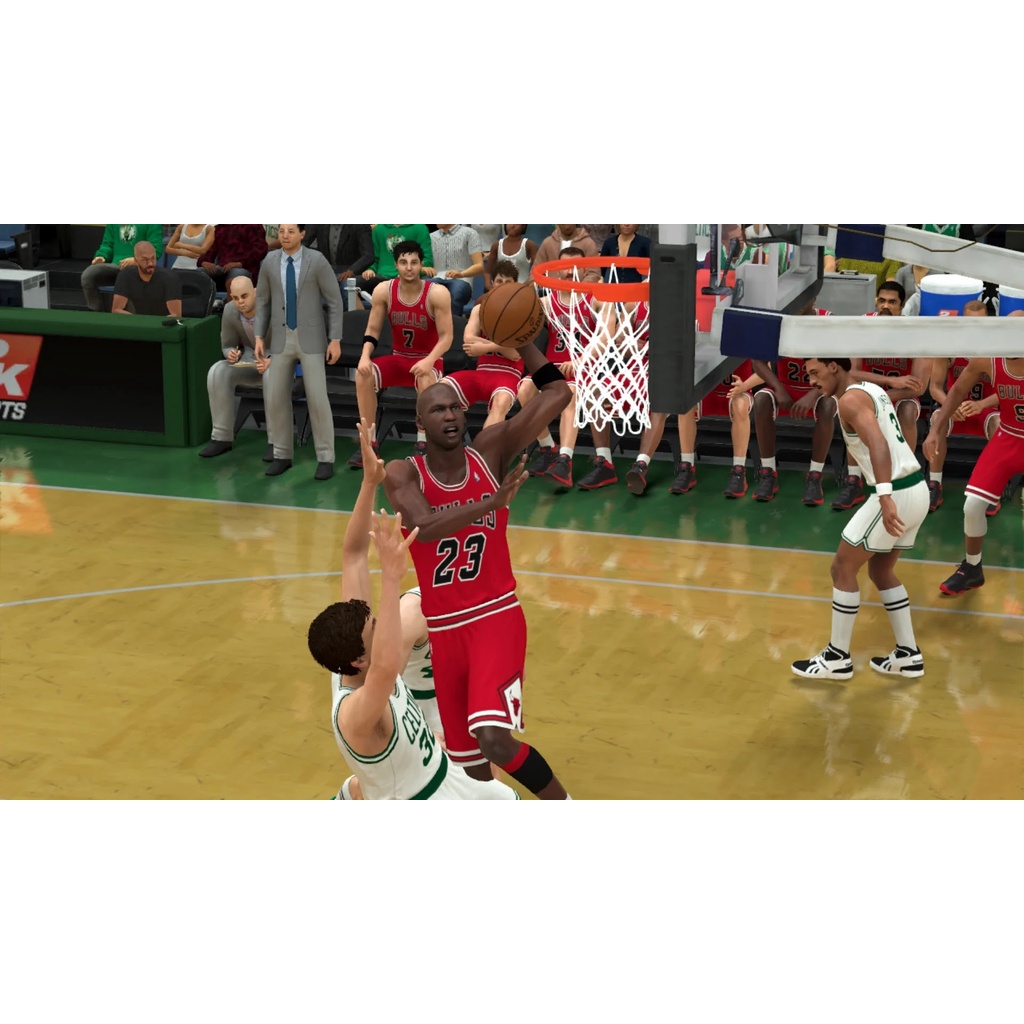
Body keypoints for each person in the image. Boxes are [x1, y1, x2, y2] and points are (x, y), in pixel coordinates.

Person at [382, 341, 576, 799]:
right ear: (420, 422)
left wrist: (523, 342)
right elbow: (425, 528)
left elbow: (559, 394)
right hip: (445, 631)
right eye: (438, 410)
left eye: (456, 408)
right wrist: (491, 503)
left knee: (494, 740)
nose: (450, 416)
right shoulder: (403, 473)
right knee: (471, 771)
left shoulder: (489, 452)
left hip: (494, 616)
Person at [309, 422, 518, 800]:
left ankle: (353, 793)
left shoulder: (353, 651)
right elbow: (387, 664)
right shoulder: (355, 712)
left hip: (429, 774)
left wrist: (369, 483)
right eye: (375, 629)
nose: (382, 625)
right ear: (359, 660)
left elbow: (353, 555)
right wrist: (391, 577)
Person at [791, 358, 929, 681]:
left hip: (894, 492)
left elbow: (878, 443)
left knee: (842, 568)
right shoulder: (869, 390)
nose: (811, 381)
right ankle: (908, 654)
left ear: (833, 367)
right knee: (881, 571)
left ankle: (837, 658)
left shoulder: (850, 402)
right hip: (916, 489)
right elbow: (853, 374)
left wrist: (884, 496)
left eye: (815, 373)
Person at [922, 318, 1024, 597]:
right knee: (973, 506)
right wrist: (936, 430)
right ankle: (972, 568)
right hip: (1008, 437)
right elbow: (957, 390)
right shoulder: (988, 360)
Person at [348, 240, 454, 467]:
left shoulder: (437, 293)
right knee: (363, 375)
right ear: (396, 264)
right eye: (404, 262)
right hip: (399, 358)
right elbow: (372, 330)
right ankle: (369, 443)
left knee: (425, 377)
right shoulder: (384, 290)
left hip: (428, 360)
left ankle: (423, 442)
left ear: (421, 264)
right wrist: (365, 356)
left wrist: (429, 360)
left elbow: (446, 338)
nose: (409, 267)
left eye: (414, 262)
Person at [254, 224, 343, 481]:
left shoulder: (317, 260)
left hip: (311, 339)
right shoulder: (269, 261)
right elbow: (262, 301)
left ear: (302, 234)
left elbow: (334, 300)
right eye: (282, 230)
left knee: (317, 399)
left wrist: (335, 339)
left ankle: (325, 457)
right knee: (275, 396)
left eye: (291, 231)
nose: (285, 235)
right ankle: (282, 454)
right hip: (280, 338)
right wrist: (259, 336)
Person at [835, 280, 929, 510]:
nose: (886, 306)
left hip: (901, 395)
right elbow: (851, 371)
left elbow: (918, 387)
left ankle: (904, 476)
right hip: (870, 392)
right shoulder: (863, 325)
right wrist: (888, 382)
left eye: (892, 302)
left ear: (902, 306)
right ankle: (854, 480)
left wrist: (886, 395)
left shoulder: (916, 332)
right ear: (876, 301)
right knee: (850, 405)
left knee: (908, 410)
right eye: (882, 301)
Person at [520, 246, 597, 488]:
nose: (570, 272)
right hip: (552, 366)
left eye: (576, 267)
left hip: (582, 367)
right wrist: (529, 284)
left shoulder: (595, 299)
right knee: (524, 391)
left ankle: (565, 460)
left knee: (569, 395)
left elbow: (606, 337)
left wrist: (580, 360)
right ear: (556, 270)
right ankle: (548, 448)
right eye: (565, 267)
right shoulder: (546, 302)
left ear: (584, 270)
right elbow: (518, 304)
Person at [749, 301, 839, 505]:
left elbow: (841, 367)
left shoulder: (829, 321)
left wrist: (814, 393)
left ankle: (815, 476)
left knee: (827, 404)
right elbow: (757, 361)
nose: (798, 301)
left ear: (814, 297)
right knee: (761, 399)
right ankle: (768, 472)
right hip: (786, 388)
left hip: (818, 389)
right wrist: (778, 388)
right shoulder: (776, 320)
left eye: (804, 296)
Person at [924, 300, 1000, 513]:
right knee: (936, 419)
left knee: (998, 423)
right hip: (954, 409)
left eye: (980, 322)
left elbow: (1008, 389)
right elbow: (935, 388)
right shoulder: (948, 347)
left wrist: (981, 404)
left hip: (985, 409)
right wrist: (949, 405)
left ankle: (991, 489)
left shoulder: (998, 348)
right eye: (970, 322)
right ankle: (935, 484)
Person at [197, 275, 275, 461]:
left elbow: (292, 344)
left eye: (244, 296)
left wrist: (273, 360)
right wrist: (230, 353)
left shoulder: (274, 307)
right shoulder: (230, 310)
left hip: (278, 362)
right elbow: (227, 345)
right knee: (218, 371)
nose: (240, 302)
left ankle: (277, 442)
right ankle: (221, 437)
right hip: (250, 361)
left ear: (255, 292)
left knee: (272, 374)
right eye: (235, 297)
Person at [439, 259, 524, 430]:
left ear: (515, 285)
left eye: (508, 282)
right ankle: (447, 441)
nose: (503, 285)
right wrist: (502, 346)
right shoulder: (479, 309)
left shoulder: (522, 311)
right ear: (492, 283)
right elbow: (468, 340)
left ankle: (485, 447)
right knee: (440, 390)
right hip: (482, 371)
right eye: (499, 281)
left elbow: (515, 353)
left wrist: (485, 347)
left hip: (509, 374)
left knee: (500, 403)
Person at [81, 224, 165, 311]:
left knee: (127, 276)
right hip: (115, 267)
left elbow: (155, 248)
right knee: (89, 274)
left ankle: (132, 314)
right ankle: (95, 312)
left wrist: (136, 260)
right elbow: (107, 245)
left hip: (138, 268)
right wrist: (101, 256)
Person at [305, 224, 374, 308]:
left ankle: (353, 315)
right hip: (326, 269)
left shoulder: (360, 225)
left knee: (347, 292)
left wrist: (352, 270)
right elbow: (303, 244)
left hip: (351, 271)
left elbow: (368, 255)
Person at [424, 224, 484, 316]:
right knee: (423, 288)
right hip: (436, 278)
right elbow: (418, 261)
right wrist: (423, 268)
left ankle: (454, 324)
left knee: (456, 291)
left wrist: (462, 274)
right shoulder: (430, 237)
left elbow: (479, 266)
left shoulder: (470, 233)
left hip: (462, 280)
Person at [110, 242, 182, 317]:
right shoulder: (126, 275)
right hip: (139, 321)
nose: (150, 263)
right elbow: (116, 310)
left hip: (163, 322)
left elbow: (176, 315)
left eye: (153, 258)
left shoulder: (170, 278)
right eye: (145, 260)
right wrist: (137, 320)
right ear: (136, 260)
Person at [359, 224, 434, 296]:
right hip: (381, 277)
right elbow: (374, 258)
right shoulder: (379, 229)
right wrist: (371, 269)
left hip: (410, 275)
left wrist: (419, 270)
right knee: (354, 284)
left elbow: (427, 260)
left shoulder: (420, 228)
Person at [200, 224, 269, 289]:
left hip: (245, 268)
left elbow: (260, 249)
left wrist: (240, 263)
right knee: (198, 274)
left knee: (235, 280)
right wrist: (204, 262)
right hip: (222, 268)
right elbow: (208, 250)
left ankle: (233, 298)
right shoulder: (219, 228)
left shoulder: (253, 225)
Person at [533, 225, 601, 282]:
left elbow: (594, 272)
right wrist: (543, 287)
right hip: (550, 290)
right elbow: (535, 272)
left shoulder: (588, 244)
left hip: (581, 291)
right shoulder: (547, 243)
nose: (567, 226)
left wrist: (580, 288)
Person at [484, 224, 537, 292]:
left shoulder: (529, 245)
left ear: (523, 225)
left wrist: (524, 285)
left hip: (523, 290)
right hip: (500, 290)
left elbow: (537, 271)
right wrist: (490, 288)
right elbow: (487, 271)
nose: (512, 225)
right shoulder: (497, 245)